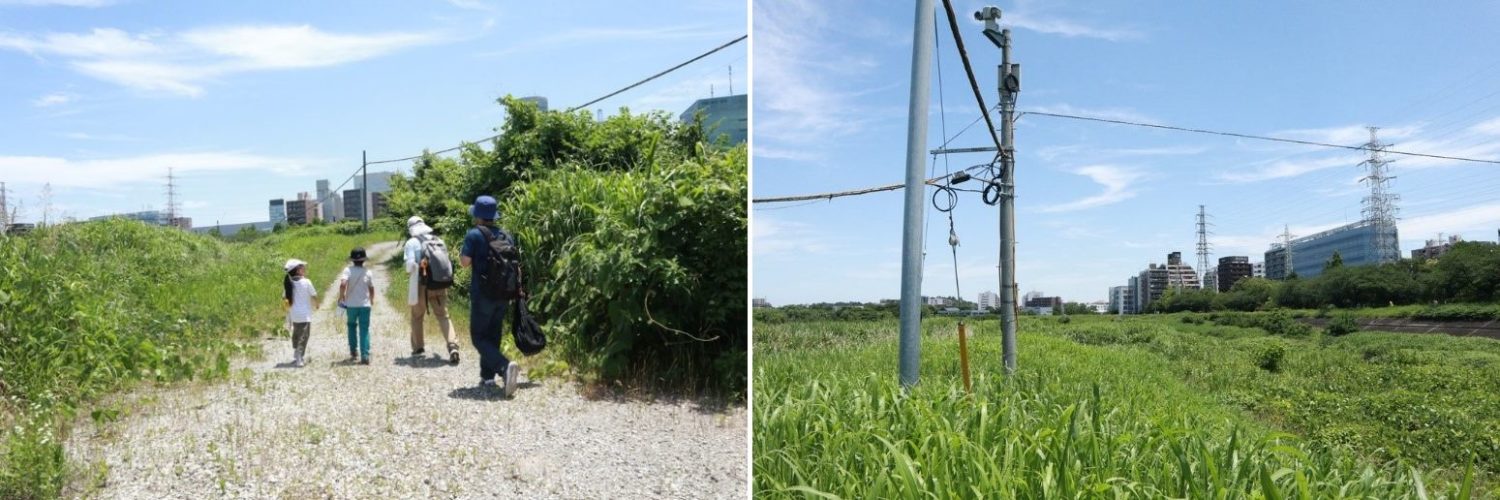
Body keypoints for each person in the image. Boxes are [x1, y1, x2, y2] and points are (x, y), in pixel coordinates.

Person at [459, 195, 520, 396]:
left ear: (477, 215)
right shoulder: (506, 235)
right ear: (493, 215)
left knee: (478, 336)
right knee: (493, 335)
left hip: (483, 293)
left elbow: (465, 262)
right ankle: (487, 377)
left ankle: (504, 367)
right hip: (503, 293)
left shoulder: (474, 235)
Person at [404, 216, 460, 364]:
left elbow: (409, 266)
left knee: (417, 316)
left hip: (421, 284)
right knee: (443, 315)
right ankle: (453, 345)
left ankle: (418, 348)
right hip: (439, 283)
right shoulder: (438, 240)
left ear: (410, 229)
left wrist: (415, 268)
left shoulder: (412, 242)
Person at [339, 247, 376, 365]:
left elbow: (343, 284)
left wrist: (341, 296)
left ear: (352, 260)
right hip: (365, 305)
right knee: (364, 329)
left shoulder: (348, 270)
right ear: (364, 260)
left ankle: (353, 351)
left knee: (351, 326)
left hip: (351, 305)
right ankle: (365, 355)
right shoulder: (368, 272)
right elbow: (371, 288)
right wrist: (371, 299)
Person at [283, 259, 316, 368]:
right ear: (298, 271)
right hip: (305, 315)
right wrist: (317, 304)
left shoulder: (289, 283)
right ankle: (299, 356)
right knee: (304, 335)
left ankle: (296, 351)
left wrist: (288, 313)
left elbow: (285, 299)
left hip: (294, 314)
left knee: (297, 333)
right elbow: (314, 295)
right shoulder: (306, 282)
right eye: (302, 267)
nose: (304, 268)